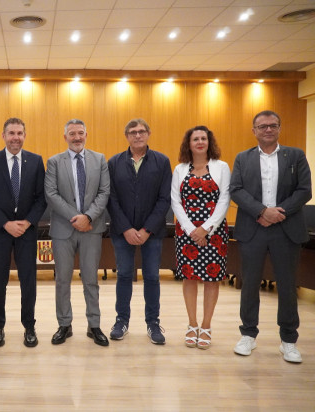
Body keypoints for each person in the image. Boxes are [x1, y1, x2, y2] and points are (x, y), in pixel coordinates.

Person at [230, 110, 311, 363]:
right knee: (249, 283)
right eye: (262, 126)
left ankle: (288, 340)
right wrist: (262, 211)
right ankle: (248, 335)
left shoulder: (295, 155)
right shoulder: (243, 158)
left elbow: (304, 190)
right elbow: (236, 190)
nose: (267, 129)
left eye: (272, 125)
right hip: (254, 227)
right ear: (254, 130)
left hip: (285, 229)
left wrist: (279, 212)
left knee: (287, 286)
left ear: (279, 128)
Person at [0, 117, 47, 348]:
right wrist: (6, 223)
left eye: (19, 133)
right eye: (11, 133)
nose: (15, 137)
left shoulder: (36, 161)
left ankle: (29, 326)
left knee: (28, 281)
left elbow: (41, 199)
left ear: (25, 136)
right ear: (3, 136)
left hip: (27, 232)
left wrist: (27, 222)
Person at [45, 119, 110, 346]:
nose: (76, 137)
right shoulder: (54, 162)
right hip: (64, 229)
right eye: (72, 134)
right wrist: (76, 218)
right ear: (65, 137)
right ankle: (64, 324)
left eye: (80, 133)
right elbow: (51, 194)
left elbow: (104, 192)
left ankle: (94, 325)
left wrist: (88, 217)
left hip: (92, 228)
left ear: (86, 134)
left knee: (90, 279)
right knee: (62, 279)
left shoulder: (99, 159)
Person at [107, 118, 172, 345]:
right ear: (127, 136)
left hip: (151, 233)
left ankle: (153, 323)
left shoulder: (162, 162)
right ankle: (121, 321)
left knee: (152, 277)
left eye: (141, 131)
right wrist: (126, 228)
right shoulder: (114, 162)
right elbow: (111, 199)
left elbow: (165, 200)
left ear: (148, 133)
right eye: (133, 132)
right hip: (121, 232)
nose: (137, 135)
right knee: (124, 275)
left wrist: (146, 230)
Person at [171, 126, 231, 349]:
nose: (199, 142)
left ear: (209, 142)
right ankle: (192, 324)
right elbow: (175, 201)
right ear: (189, 143)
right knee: (189, 278)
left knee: (211, 279)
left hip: (214, 232)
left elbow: (224, 199)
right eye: (195, 138)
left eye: (203, 138)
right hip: (186, 233)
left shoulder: (222, 167)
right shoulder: (179, 169)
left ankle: (206, 326)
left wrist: (206, 229)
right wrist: (191, 230)